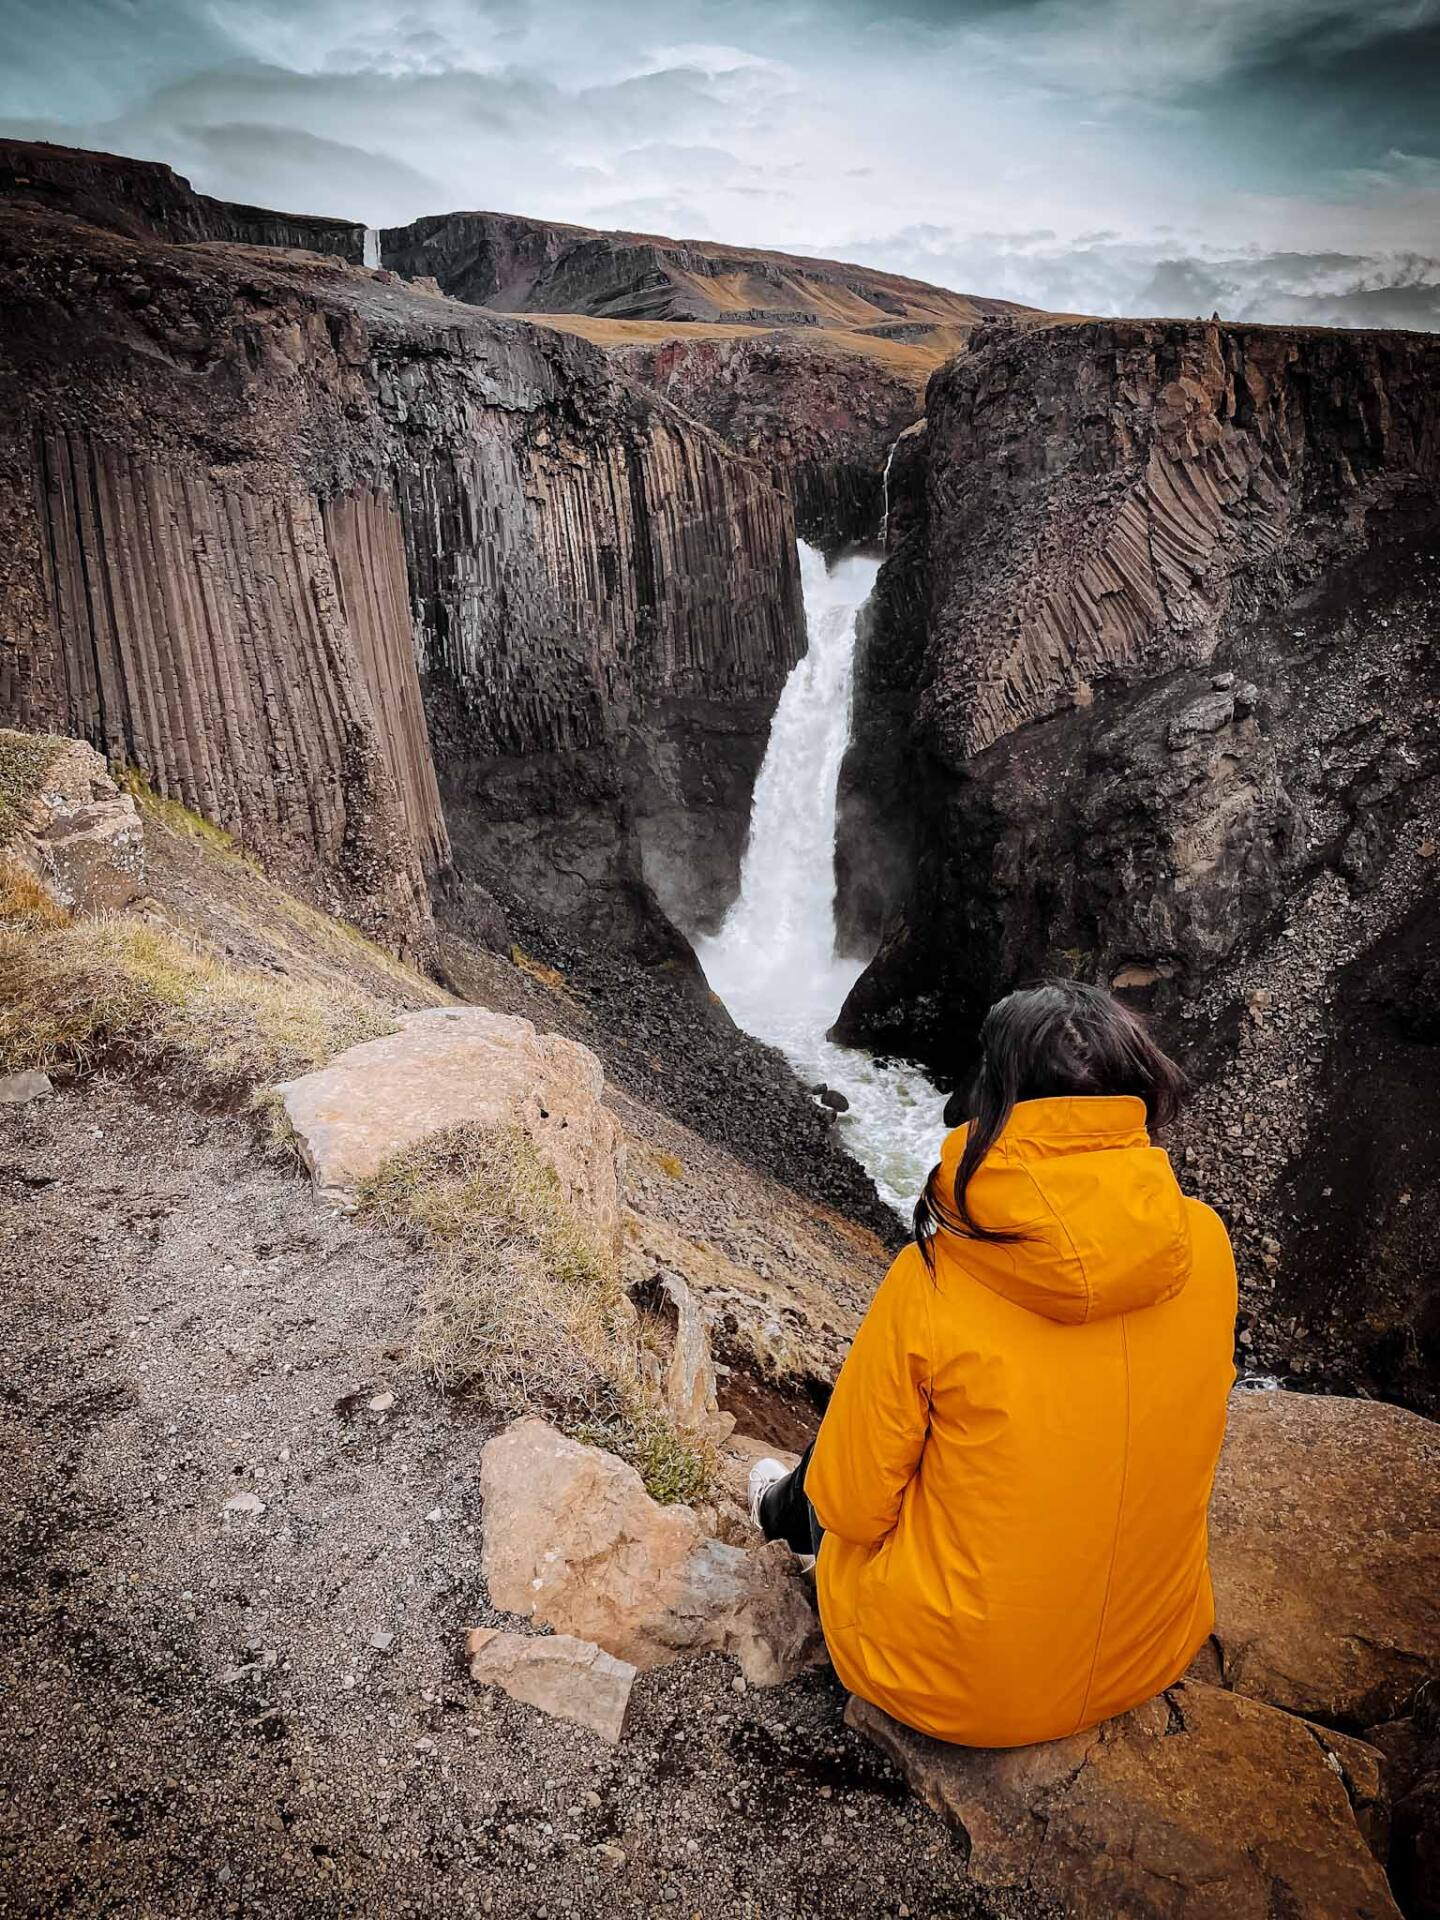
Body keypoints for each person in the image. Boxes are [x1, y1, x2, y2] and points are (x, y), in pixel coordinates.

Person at [748, 980, 1236, 1748]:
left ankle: (772, 1506)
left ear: (996, 1093)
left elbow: (849, 1509)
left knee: (844, 1467)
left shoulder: (937, 1277)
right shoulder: (1204, 1243)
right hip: (1151, 1649)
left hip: (963, 1687)